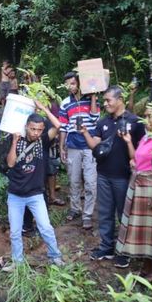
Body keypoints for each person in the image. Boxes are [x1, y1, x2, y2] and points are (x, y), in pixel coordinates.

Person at [82, 86, 145, 268]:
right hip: (103, 174)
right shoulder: (103, 122)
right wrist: (85, 132)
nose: (106, 103)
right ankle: (106, 246)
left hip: (124, 176)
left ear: (120, 99)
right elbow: (95, 145)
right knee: (105, 213)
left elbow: (143, 151)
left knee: (124, 215)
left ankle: (125, 251)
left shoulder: (135, 122)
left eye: (109, 100)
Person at [3, 101, 65, 271]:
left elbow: (58, 125)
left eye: (39, 130)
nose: (36, 133)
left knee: (45, 227)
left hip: (36, 194)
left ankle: (55, 257)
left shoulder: (43, 141)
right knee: (15, 232)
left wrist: (44, 108)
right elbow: (10, 163)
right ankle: (17, 262)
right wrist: (15, 142)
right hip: (15, 194)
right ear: (26, 127)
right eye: (32, 129)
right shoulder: (14, 138)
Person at [116, 101, 152, 280]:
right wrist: (128, 142)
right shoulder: (147, 136)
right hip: (139, 184)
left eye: (150, 116)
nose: (146, 119)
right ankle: (147, 266)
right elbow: (136, 157)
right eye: (146, 116)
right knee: (143, 230)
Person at [58, 71, 100, 229]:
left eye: (73, 83)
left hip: (89, 146)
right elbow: (63, 126)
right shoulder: (64, 103)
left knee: (90, 182)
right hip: (73, 146)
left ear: (80, 83)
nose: (70, 87)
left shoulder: (91, 100)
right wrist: (62, 146)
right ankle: (75, 208)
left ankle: (87, 214)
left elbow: (95, 118)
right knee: (74, 180)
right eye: (68, 84)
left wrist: (94, 95)